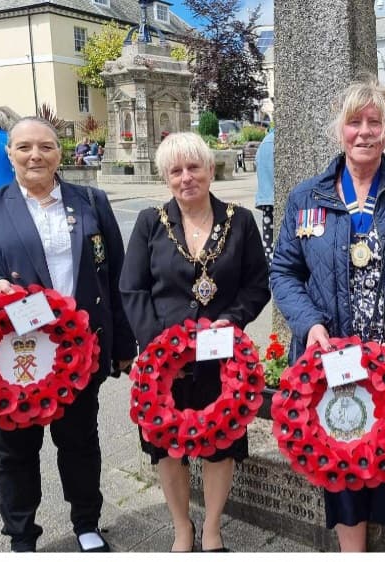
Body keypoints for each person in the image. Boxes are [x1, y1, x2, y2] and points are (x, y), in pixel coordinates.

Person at [270, 77, 385, 552]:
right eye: (355, 122)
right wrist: (309, 324)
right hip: (333, 367)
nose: (365, 132)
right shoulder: (307, 198)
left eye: (375, 122)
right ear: (339, 130)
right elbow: (284, 273)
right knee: (342, 464)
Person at [0, 117, 137, 553]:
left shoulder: (90, 201)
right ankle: (22, 535)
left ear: (59, 153)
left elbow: (115, 277)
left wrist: (123, 345)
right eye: (24, 147)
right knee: (14, 451)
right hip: (12, 358)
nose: (35, 155)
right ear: (9, 154)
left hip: (77, 353)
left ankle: (87, 522)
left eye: (45, 146)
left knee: (80, 442)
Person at [119, 132, 270, 553]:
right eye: (176, 171)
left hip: (220, 359)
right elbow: (132, 289)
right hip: (163, 364)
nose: (187, 178)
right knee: (167, 448)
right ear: (165, 177)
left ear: (210, 169)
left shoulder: (239, 220)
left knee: (220, 444)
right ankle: (182, 526)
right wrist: (160, 349)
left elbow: (258, 285)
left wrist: (232, 319)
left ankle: (213, 529)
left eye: (194, 167)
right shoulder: (151, 221)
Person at [254, 127, 276, 264]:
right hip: (275, 196)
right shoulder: (275, 141)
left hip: (266, 197)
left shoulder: (265, 142)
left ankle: (270, 270)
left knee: (268, 242)